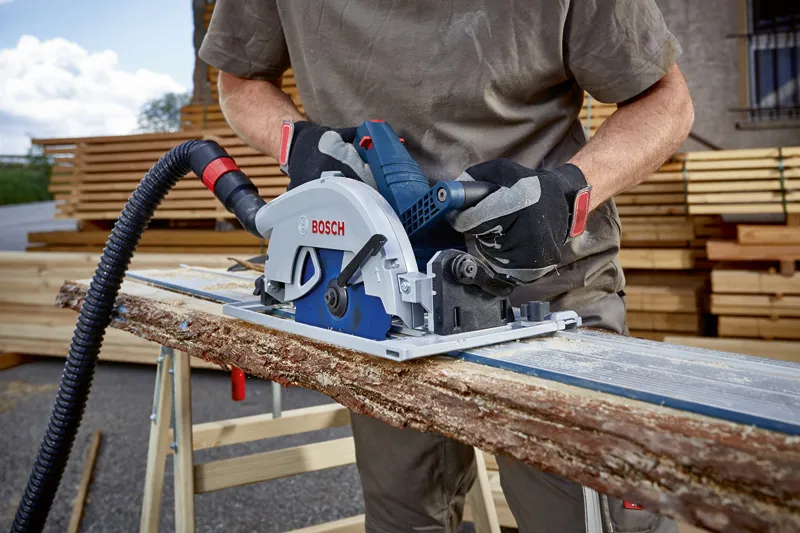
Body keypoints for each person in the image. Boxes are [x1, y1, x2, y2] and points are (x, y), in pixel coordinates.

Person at [199, 2, 694, 532]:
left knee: (584, 518)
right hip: (381, 295)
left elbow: (665, 101)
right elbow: (240, 78)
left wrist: (568, 192)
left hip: (543, 282)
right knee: (405, 518)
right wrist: (296, 142)